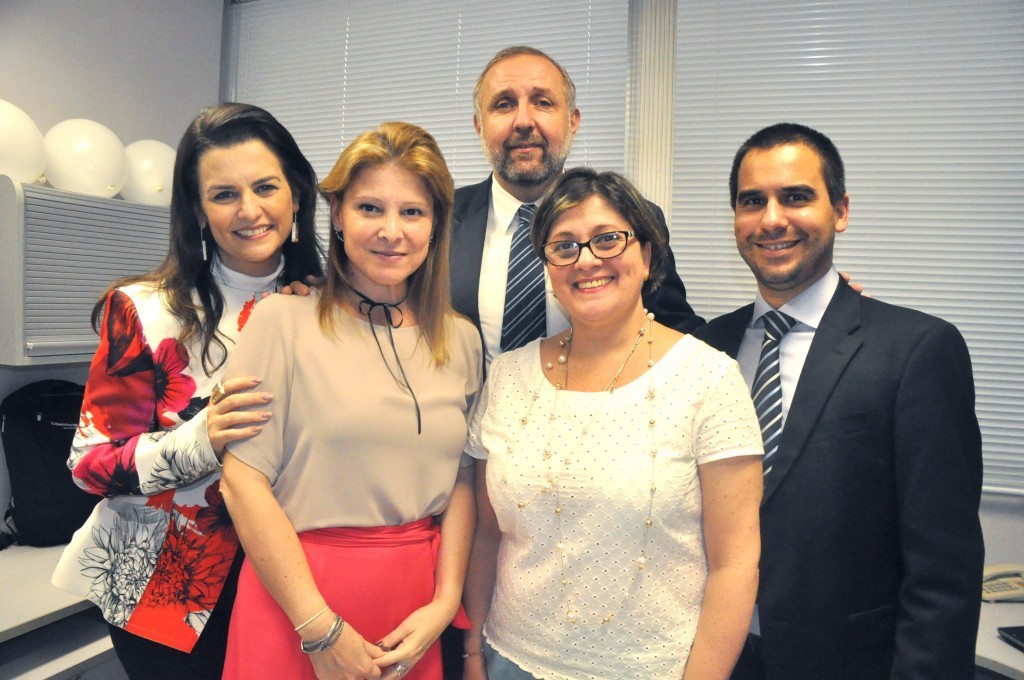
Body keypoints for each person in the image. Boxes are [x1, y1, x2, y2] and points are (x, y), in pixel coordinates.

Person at [694, 123, 984, 679]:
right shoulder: (708, 348)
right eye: (752, 201)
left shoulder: (916, 350)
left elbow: (943, 570)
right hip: (714, 657)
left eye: (796, 196)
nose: (772, 219)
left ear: (841, 210)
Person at [51, 102, 326, 679]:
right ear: (198, 211)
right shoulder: (146, 310)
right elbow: (89, 464)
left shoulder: (332, 309)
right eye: (224, 194)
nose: (250, 210)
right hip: (166, 586)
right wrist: (200, 439)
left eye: (266, 187)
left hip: (296, 572)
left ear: (296, 196)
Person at [462, 168, 763, 679]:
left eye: (608, 239)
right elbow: (488, 537)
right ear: (549, 268)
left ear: (646, 256)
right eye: (565, 246)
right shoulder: (509, 376)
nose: (587, 260)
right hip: (507, 659)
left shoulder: (708, 379)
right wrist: (472, 655)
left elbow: (735, 563)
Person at [219, 121, 482, 680]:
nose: (392, 231)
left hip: (415, 612)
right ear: (337, 215)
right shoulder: (282, 321)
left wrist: (444, 602)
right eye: (369, 208)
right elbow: (242, 483)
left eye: (412, 212)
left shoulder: (460, 339)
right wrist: (319, 629)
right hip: (297, 605)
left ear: (436, 225)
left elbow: (462, 478)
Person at [451, 45, 704, 367]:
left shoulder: (630, 220)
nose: (524, 120)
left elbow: (672, 330)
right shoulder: (439, 221)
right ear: (478, 126)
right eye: (504, 104)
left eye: (542, 102)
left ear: (572, 122)